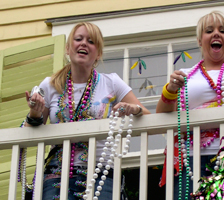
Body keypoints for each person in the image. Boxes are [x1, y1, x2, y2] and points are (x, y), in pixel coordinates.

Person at [23, 22, 150, 200]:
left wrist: (133, 109)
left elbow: (147, 115)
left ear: (98, 53)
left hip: (100, 174)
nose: (83, 43)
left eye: (91, 41)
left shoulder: (111, 82)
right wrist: (35, 113)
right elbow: (27, 133)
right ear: (68, 49)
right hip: (56, 175)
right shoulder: (50, 85)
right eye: (78, 39)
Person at [156, 11, 224, 200]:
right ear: (199, 40)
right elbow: (162, 117)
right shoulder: (184, 75)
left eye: (222, 30)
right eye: (209, 30)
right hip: (188, 159)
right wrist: (170, 90)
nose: (216, 34)